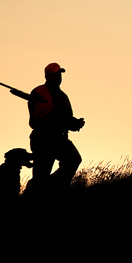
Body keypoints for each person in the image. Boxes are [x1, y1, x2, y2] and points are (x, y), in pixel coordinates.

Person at [23, 63, 85, 201]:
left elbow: (65, 118)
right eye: (55, 74)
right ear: (47, 76)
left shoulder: (63, 96)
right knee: (40, 177)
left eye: (59, 74)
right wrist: (66, 120)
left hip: (60, 138)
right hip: (43, 139)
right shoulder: (39, 92)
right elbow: (35, 120)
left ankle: (55, 190)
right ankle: (30, 199)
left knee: (74, 160)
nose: (58, 77)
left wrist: (76, 124)